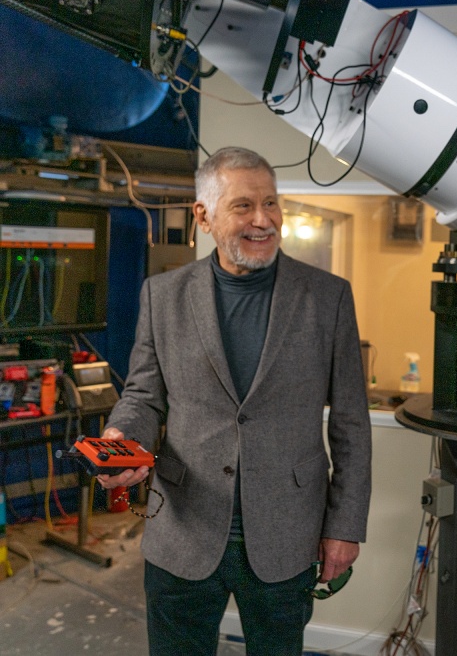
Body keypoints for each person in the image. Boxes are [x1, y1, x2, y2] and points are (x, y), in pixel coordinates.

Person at [97, 147, 372, 656]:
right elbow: (142, 396)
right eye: (244, 206)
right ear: (204, 216)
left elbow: (352, 424)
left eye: (271, 204)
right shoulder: (163, 294)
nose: (263, 220)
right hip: (183, 527)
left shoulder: (328, 297)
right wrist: (123, 439)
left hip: (287, 531)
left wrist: (345, 525)